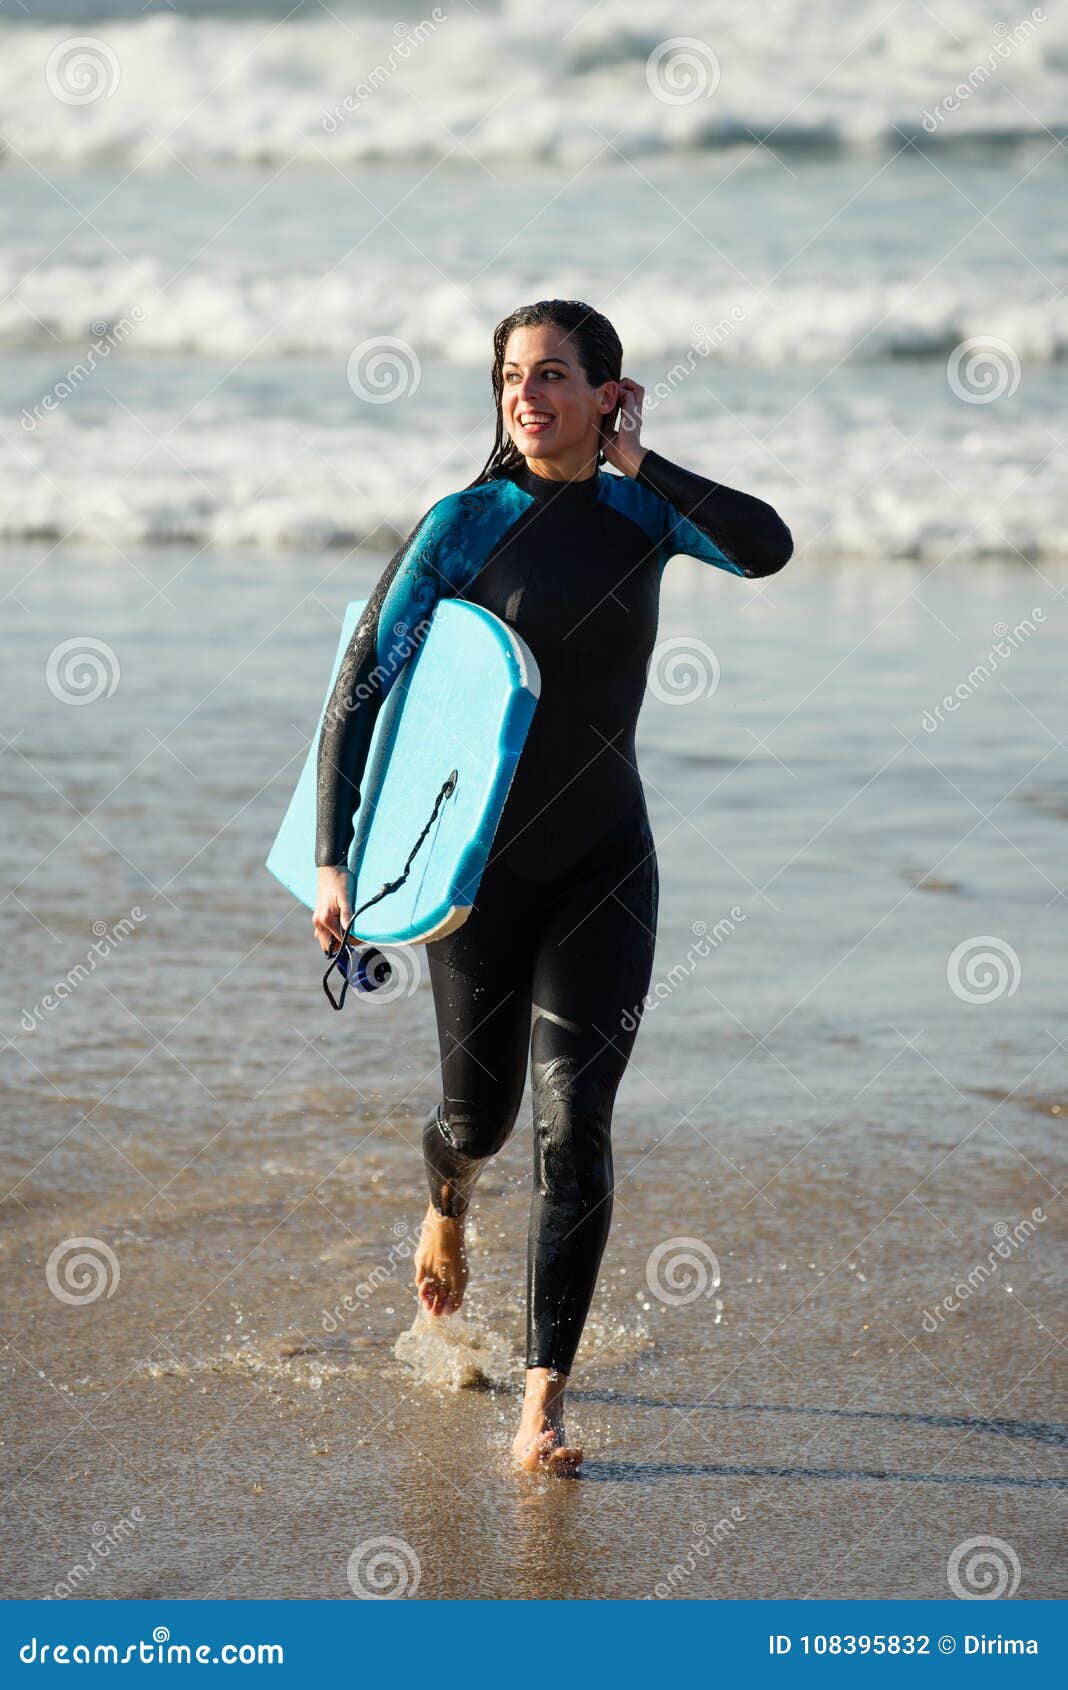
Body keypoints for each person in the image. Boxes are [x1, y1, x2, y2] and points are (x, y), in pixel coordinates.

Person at [313, 299, 792, 1472]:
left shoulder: (642, 511)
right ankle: (446, 1195)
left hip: (605, 862)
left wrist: (650, 461)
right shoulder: (465, 523)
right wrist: (335, 855)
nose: (530, 396)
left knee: (576, 1132)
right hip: (476, 873)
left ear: (607, 394)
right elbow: (362, 687)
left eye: (558, 376)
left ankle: (543, 1405)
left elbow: (768, 545)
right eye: (515, 377)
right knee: (479, 1117)